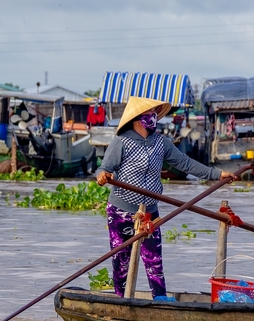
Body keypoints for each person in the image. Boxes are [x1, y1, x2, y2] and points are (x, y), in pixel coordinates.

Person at [96, 97, 236, 298]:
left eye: (154, 113)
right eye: (149, 114)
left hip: (150, 212)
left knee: (154, 261)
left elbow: (186, 164)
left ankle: (160, 299)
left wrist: (217, 174)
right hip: (122, 210)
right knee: (121, 261)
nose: (153, 118)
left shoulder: (161, 143)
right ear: (137, 119)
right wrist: (102, 176)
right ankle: (121, 299)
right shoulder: (121, 142)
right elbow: (104, 168)